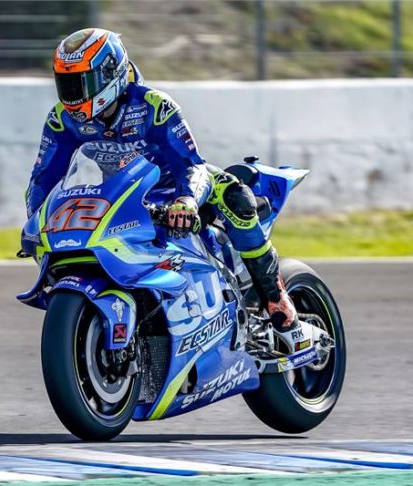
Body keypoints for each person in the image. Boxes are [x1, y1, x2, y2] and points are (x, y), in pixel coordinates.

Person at [25, 28, 298, 333]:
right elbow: (43, 180)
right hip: (127, 195)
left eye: (80, 83)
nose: (72, 94)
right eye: (66, 83)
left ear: (109, 74)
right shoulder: (62, 120)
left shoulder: (154, 106)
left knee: (237, 198)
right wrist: (37, 223)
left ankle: (275, 296)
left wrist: (186, 200)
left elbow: (190, 164)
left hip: (181, 187)